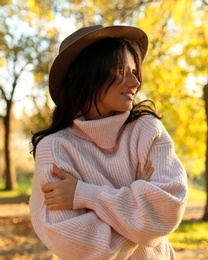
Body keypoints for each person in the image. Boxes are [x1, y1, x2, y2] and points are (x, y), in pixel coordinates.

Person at [29, 24, 188, 260]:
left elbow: (166, 212)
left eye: (135, 72)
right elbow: (76, 245)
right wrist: (138, 213)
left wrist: (85, 194)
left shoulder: (147, 130)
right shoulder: (55, 148)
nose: (135, 82)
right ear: (89, 75)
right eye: (121, 70)